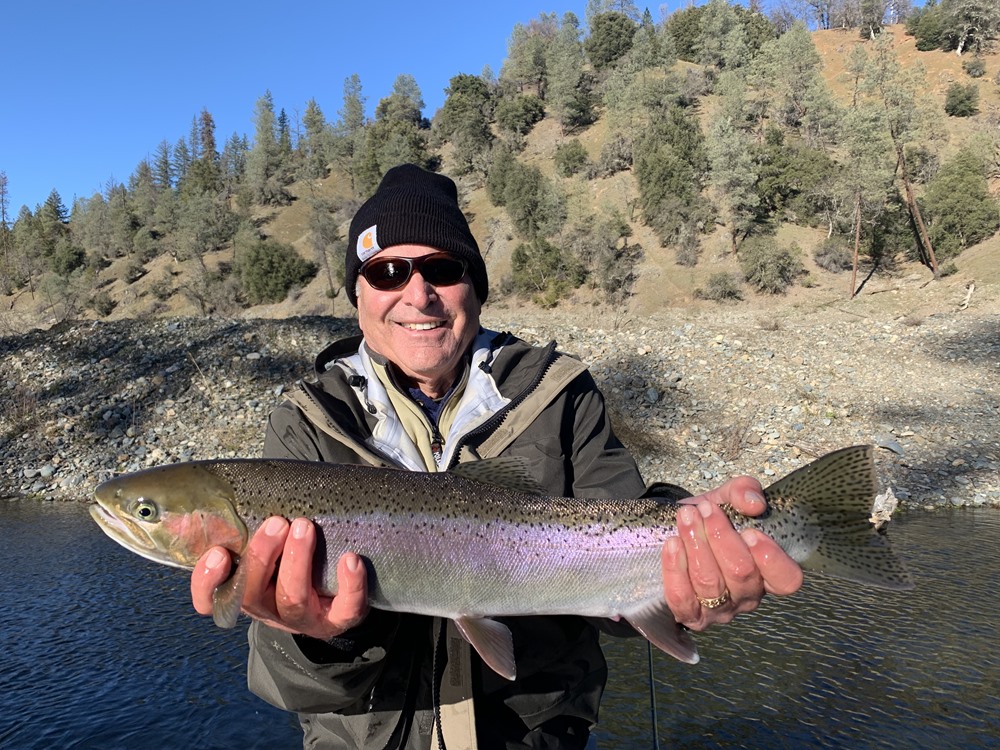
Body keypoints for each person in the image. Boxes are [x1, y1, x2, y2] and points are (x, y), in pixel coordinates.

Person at [189, 164, 803, 749]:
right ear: (357, 295)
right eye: (387, 273)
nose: (418, 293)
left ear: (475, 288)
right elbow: (287, 685)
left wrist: (692, 544)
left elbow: (624, 529)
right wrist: (318, 640)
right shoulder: (307, 422)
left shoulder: (559, 394)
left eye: (442, 268)